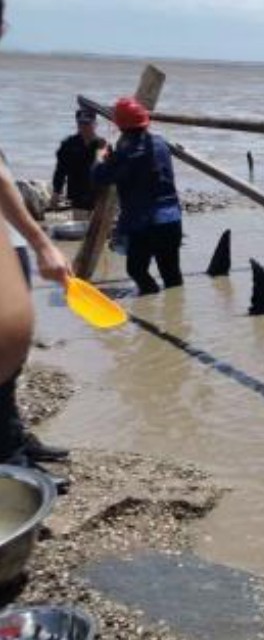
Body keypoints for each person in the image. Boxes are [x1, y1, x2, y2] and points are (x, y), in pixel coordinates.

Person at [0, 0, 73, 464]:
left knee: (11, 363)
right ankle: (9, 465)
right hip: (15, 235)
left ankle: (12, 438)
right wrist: (46, 241)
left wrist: (35, 242)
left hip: (13, 238)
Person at [92, 97, 184, 296]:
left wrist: (100, 156)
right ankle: (176, 317)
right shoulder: (160, 144)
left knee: (136, 269)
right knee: (172, 275)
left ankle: (150, 298)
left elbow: (99, 177)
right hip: (171, 218)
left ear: (121, 126)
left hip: (145, 223)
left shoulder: (126, 153)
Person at [51, 108, 107, 213]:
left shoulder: (102, 144)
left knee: (98, 228)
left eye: (87, 123)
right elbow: (60, 170)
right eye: (81, 123)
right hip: (77, 194)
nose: (84, 127)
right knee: (81, 226)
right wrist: (56, 192)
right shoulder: (68, 144)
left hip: (99, 196)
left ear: (95, 124)